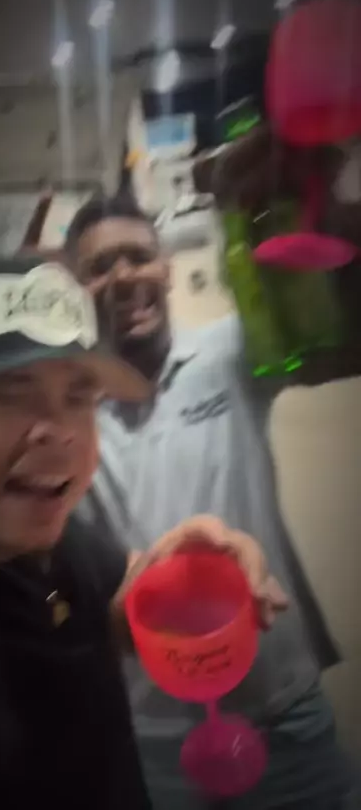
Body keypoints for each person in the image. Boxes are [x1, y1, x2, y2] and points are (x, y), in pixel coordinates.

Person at [0, 255, 280, 808]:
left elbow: (112, 613)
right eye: (10, 390)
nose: (63, 431)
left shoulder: (53, 543)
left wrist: (182, 569)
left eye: (80, 398)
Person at [65, 194, 356, 810]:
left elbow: (335, 336)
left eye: (138, 256)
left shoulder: (228, 353)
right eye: (99, 267)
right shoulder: (69, 411)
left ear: (167, 268)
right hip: (157, 733)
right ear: (78, 288)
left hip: (279, 707)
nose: (123, 277)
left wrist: (309, 204)